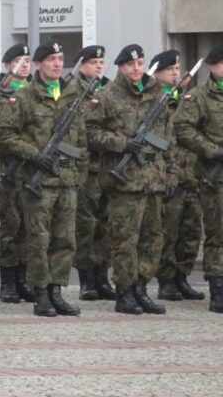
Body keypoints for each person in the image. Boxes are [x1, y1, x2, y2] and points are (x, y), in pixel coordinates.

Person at [0, 42, 86, 317]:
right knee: (38, 239)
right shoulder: (25, 97)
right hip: (37, 182)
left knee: (65, 240)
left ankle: (57, 290)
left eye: (60, 59)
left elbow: (81, 139)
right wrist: (34, 155)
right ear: (38, 65)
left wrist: (78, 173)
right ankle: (40, 294)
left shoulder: (73, 94)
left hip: (66, 180)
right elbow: (5, 135)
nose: (57, 64)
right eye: (50, 59)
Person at [87, 44, 170, 315]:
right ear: (121, 67)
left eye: (140, 63)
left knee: (153, 238)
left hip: (153, 179)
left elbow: (167, 136)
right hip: (124, 182)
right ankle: (124, 292)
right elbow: (90, 132)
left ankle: (141, 288)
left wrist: (168, 173)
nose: (136, 69)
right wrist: (122, 143)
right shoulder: (107, 95)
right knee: (125, 239)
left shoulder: (156, 93)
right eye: (130, 65)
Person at [151, 50, 205, 302]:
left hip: (191, 174)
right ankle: (166, 280)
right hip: (167, 175)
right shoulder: (153, 100)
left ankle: (182, 276)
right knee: (168, 231)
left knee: (191, 230)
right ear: (157, 72)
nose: (175, 72)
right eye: (170, 69)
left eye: (177, 68)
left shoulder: (185, 98)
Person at [174, 45, 223, 312]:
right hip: (215, 177)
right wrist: (214, 151)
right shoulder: (199, 97)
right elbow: (183, 130)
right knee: (218, 235)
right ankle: (218, 289)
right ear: (212, 67)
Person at [72, 45, 116, 301]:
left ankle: (102, 277)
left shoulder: (108, 90)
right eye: (93, 62)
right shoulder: (72, 90)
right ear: (82, 64)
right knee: (86, 226)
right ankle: (86, 280)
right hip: (86, 168)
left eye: (101, 62)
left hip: (107, 166)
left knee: (105, 224)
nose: (98, 66)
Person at [0, 44, 35, 303]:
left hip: (31, 169)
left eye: (28, 59)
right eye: (20, 60)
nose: (25, 64)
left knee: (28, 227)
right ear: (8, 65)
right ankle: (7, 281)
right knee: (10, 226)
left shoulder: (34, 93)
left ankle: (23, 278)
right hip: (8, 169)